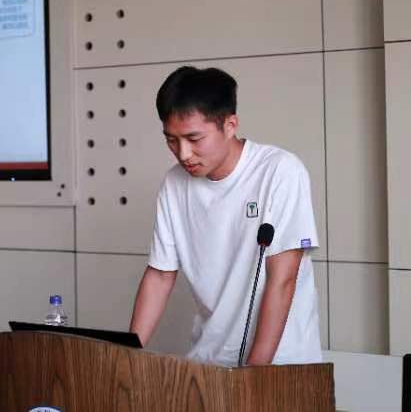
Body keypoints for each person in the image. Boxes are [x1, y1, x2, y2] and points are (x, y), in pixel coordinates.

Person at [129, 66, 322, 367]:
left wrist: (253, 376)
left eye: (194, 138)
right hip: (210, 361)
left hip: (279, 366)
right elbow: (160, 275)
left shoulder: (280, 171)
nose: (183, 153)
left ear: (230, 125)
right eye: (171, 140)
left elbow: (282, 280)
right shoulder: (174, 183)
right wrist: (126, 355)